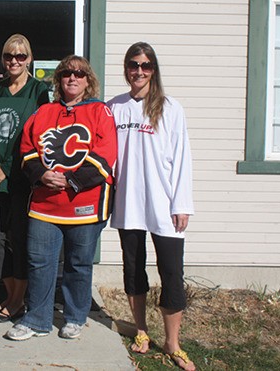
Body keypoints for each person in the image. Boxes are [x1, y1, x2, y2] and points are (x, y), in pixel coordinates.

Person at [4, 55, 117, 341]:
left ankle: (75, 316)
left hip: (85, 204)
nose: (72, 78)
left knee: (78, 263)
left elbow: (105, 155)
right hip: (45, 204)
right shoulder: (43, 112)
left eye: (79, 74)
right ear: (59, 79)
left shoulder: (100, 111)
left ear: (88, 80)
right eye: (67, 73)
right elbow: (27, 150)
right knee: (39, 262)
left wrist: (72, 180)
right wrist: (41, 174)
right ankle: (37, 319)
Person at [107, 42, 195, 371]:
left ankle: (173, 342)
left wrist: (181, 204)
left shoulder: (171, 108)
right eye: (133, 65)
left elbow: (183, 160)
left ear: (153, 70)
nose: (139, 71)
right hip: (129, 204)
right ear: (126, 68)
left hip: (165, 206)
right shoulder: (114, 107)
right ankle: (141, 331)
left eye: (145, 65)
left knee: (172, 273)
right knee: (134, 270)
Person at [0, 34, 49, 322]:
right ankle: (10, 293)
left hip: (21, 178)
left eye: (21, 56)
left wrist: (8, 165)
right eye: (9, 56)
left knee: (19, 240)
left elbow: (39, 132)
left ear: (29, 58)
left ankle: (18, 300)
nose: (14, 61)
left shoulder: (38, 91)